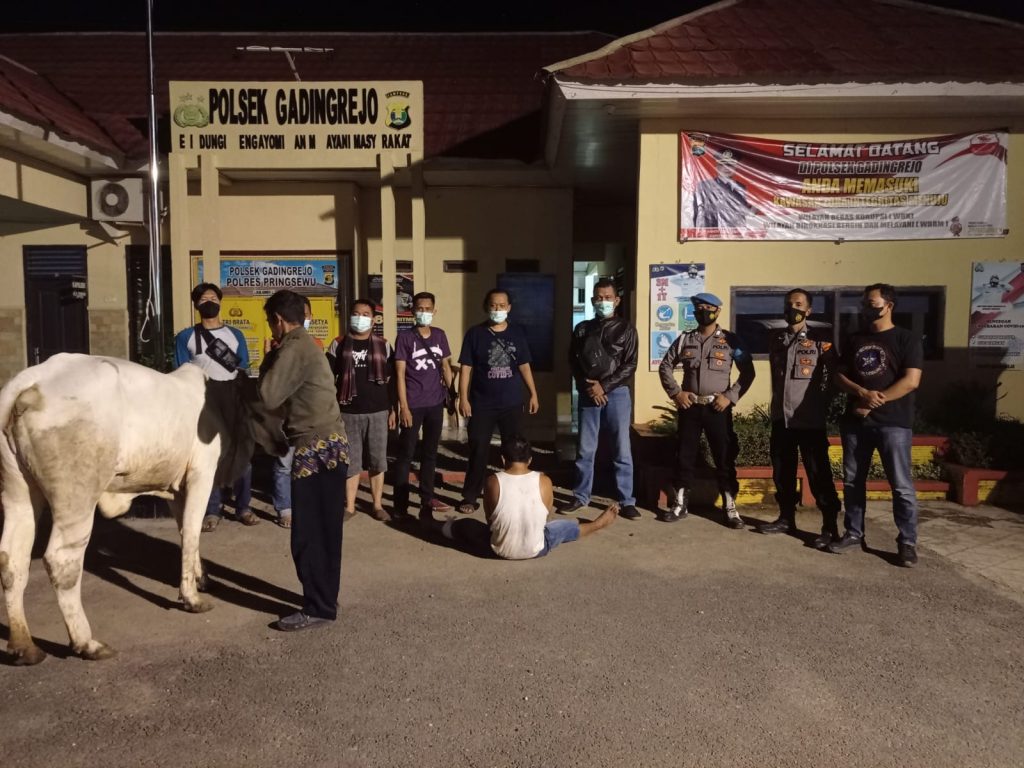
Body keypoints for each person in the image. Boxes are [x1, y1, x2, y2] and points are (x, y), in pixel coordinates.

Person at [259, 289, 349, 631]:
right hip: (331, 443)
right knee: (325, 530)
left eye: (271, 322)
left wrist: (269, 358)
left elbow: (268, 395)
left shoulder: (293, 347)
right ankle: (325, 597)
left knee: (309, 533)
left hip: (314, 446)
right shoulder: (307, 344)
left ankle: (318, 606)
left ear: (280, 321)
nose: (271, 328)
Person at [829, 284, 923, 567]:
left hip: (893, 424)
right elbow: (839, 376)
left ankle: (907, 542)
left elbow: (911, 381)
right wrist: (861, 393)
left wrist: (872, 401)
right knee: (853, 482)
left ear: (889, 305)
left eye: (873, 304)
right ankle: (854, 532)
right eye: (865, 304)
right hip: (856, 424)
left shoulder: (907, 339)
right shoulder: (854, 338)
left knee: (901, 486)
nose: (867, 309)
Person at [658, 292, 755, 527]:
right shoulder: (685, 339)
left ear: (718, 311)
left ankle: (730, 506)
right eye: (699, 308)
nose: (703, 311)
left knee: (724, 457)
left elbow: (748, 372)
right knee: (684, 456)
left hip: (717, 408)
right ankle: (680, 503)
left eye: (708, 308)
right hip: (690, 407)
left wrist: (729, 397)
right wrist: (676, 393)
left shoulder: (732, 341)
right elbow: (665, 367)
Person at [755, 289, 842, 549]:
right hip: (782, 418)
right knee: (783, 472)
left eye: (798, 304)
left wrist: (821, 403)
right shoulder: (776, 340)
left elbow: (834, 377)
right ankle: (785, 518)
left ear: (809, 310)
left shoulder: (820, 341)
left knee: (818, 473)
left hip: (809, 420)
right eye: (788, 304)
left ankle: (830, 527)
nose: (792, 308)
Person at [440, 435, 616, 559]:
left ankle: (436, 526)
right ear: (530, 460)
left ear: (502, 460)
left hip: (499, 550)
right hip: (536, 549)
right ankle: (598, 524)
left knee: (466, 526)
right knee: (561, 527)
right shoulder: (545, 481)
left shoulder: (492, 482)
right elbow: (544, 516)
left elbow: (490, 520)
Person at [173, 282, 257, 532]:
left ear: (220, 302)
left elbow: (243, 368)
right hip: (203, 404)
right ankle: (212, 510)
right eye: (203, 299)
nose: (208, 301)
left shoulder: (235, 335)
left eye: (212, 297)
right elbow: (180, 372)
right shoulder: (186, 337)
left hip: (232, 401)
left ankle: (244, 507)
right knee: (207, 459)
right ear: (196, 305)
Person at [560, 278, 640, 519]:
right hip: (588, 394)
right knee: (585, 448)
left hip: (617, 394)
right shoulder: (583, 328)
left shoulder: (626, 329)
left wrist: (603, 387)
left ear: (617, 300)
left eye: (607, 297)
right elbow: (573, 361)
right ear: (593, 300)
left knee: (621, 449)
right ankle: (581, 496)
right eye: (598, 297)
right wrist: (587, 386)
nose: (602, 301)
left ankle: (626, 500)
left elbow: (630, 364)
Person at [456, 289, 539, 515]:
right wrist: (463, 398)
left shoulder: (517, 334)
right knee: (478, 449)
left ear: (509, 308)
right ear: (486, 306)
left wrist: (533, 393)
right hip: (482, 404)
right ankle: (471, 496)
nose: (498, 310)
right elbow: (466, 368)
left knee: (515, 451)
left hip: (511, 403)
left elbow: (524, 365)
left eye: (502, 305)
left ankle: (513, 496)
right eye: (493, 305)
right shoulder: (475, 334)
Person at [326, 299, 396, 522]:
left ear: (374, 319)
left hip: (378, 411)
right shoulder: (338, 344)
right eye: (356, 313)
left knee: (378, 460)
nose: (360, 317)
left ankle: (377, 505)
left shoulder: (384, 345)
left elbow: (392, 379)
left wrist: (393, 408)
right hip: (347, 412)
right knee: (351, 460)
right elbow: (327, 379)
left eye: (365, 314)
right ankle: (350, 506)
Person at [391, 292, 454, 523]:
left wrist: (453, 394)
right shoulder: (405, 338)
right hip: (413, 404)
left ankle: (427, 498)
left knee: (430, 454)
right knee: (405, 455)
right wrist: (403, 407)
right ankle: (400, 504)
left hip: (435, 404)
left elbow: (446, 366)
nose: (423, 312)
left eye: (428, 308)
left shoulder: (439, 335)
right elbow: (399, 374)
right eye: (419, 308)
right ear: (412, 310)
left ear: (434, 311)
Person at [268, 296, 321, 529]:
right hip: (285, 419)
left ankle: (306, 506)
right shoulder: (281, 346)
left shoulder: (313, 345)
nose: (304, 320)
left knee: (308, 466)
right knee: (284, 465)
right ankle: (285, 509)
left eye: (307, 316)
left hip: (307, 422)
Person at [693, 149, 751, 229]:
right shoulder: (704, 186)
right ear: (716, 166)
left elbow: (742, 213)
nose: (726, 168)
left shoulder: (741, 187)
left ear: (735, 167)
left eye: (731, 165)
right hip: (712, 233)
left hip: (735, 234)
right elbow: (697, 213)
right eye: (723, 164)